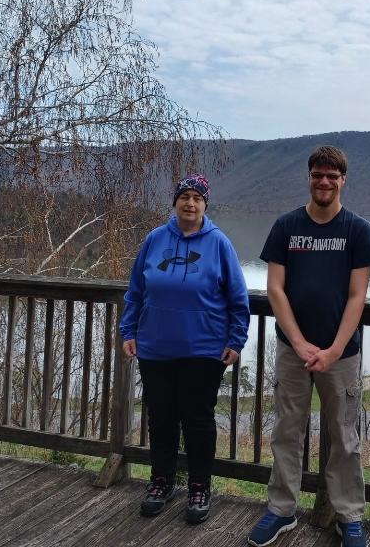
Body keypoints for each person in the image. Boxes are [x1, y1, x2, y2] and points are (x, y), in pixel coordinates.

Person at [248, 146, 370, 547]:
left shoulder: (357, 230)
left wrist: (335, 348)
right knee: (287, 429)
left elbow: (358, 296)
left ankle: (349, 516)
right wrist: (302, 342)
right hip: (292, 350)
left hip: (342, 354)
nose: (325, 181)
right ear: (309, 177)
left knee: (344, 435)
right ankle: (281, 509)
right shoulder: (286, 226)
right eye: (318, 174)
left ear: (343, 180)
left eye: (332, 175)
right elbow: (275, 289)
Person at [120, 173, 250, 524]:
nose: (190, 203)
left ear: (205, 204)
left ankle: (199, 487)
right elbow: (135, 290)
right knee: (160, 418)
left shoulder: (219, 244)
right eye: (184, 196)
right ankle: (161, 481)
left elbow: (238, 299)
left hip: (204, 349)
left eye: (197, 197)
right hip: (155, 346)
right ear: (175, 202)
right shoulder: (154, 240)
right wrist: (128, 329)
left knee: (197, 420)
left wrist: (235, 340)